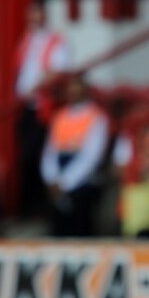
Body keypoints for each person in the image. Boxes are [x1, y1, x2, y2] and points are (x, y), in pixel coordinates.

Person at [15, 0, 73, 218]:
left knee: (38, 156)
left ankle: (38, 207)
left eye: (37, 12)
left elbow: (58, 70)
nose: (33, 17)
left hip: (44, 108)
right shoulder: (26, 40)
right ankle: (27, 205)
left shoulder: (57, 41)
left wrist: (36, 87)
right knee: (25, 156)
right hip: (25, 108)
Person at [40, 74, 109, 236]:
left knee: (80, 227)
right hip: (60, 174)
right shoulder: (60, 116)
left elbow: (92, 156)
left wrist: (65, 182)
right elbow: (50, 150)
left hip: (81, 180)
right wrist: (52, 178)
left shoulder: (96, 117)